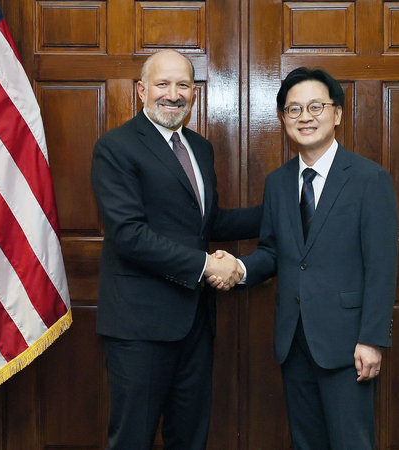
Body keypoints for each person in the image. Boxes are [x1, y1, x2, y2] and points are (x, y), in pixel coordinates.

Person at [211, 67, 398, 449]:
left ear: (337, 113)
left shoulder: (369, 179)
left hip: (348, 345)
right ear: (283, 119)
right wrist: (240, 268)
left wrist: (372, 339)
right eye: (294, 109)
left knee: (351, 443)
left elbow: (382, 266)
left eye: (315, 106)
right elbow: (273, 251)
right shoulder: (279, 182)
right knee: (305, 443)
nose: (305, 117)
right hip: (293, 341)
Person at [90, 49, 262, 450]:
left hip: (195, 324)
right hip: (139, 329)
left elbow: (206, 224)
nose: (173, 94)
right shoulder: (115, 147)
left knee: (190, 439)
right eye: (162, 84)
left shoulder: (200, 148)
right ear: (141, 90)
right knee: (132, 440)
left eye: (183, 85)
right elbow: (129, 235)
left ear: (194, 93)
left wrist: (281, 210)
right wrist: (207, 266)